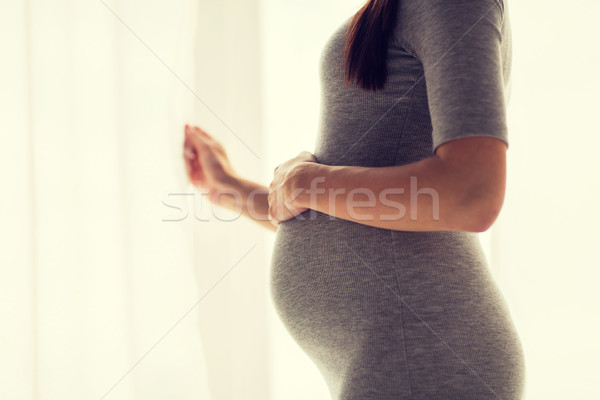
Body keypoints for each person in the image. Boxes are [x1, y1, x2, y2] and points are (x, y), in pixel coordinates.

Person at [183, 0, 525, 398]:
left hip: (426, 358)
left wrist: (310, 183)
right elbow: (349, 211)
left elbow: (472, 193)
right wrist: (227, 186)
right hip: (398, 359)